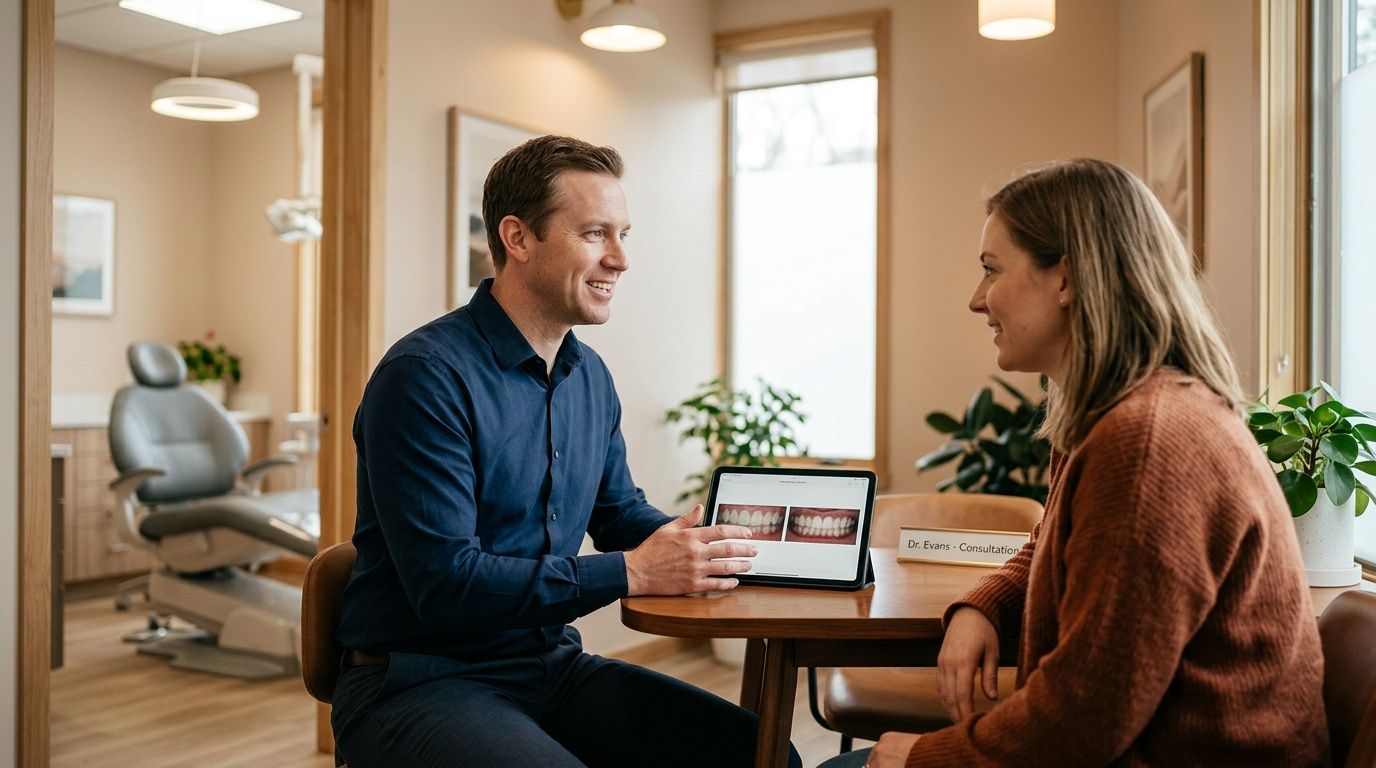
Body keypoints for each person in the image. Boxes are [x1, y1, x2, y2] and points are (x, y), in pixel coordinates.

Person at [833, 159, 1328, 767]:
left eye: (991, 270)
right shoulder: (1116, 416)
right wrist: (986, 605)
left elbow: (1083, 719)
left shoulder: (1147, 444)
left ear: (1065, 278)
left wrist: (922, 760)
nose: (975, 299)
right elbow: (1054, 548)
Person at [330, 135, 800, 768]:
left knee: (764, 757)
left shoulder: (589, 377)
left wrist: (700, 544)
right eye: (595, 234)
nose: (620, 259)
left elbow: (617, 512)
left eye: (623, 234)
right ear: (519, 239)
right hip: (419, 681)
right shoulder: (424, 376)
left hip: (548, 667)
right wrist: (634, 571)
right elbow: (447, 585)